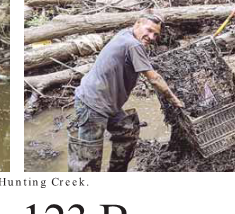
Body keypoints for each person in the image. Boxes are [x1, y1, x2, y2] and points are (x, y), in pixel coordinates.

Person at [70, 13, 184, 172]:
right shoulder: (133, 45)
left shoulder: (126, 34)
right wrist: (174, 100)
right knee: (88, 159)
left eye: (156, 34)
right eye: (149, 30)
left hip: (107, 104)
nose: (151, 37)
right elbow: (155, 79)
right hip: (93, 104)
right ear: (137, 24)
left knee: (127, 131)